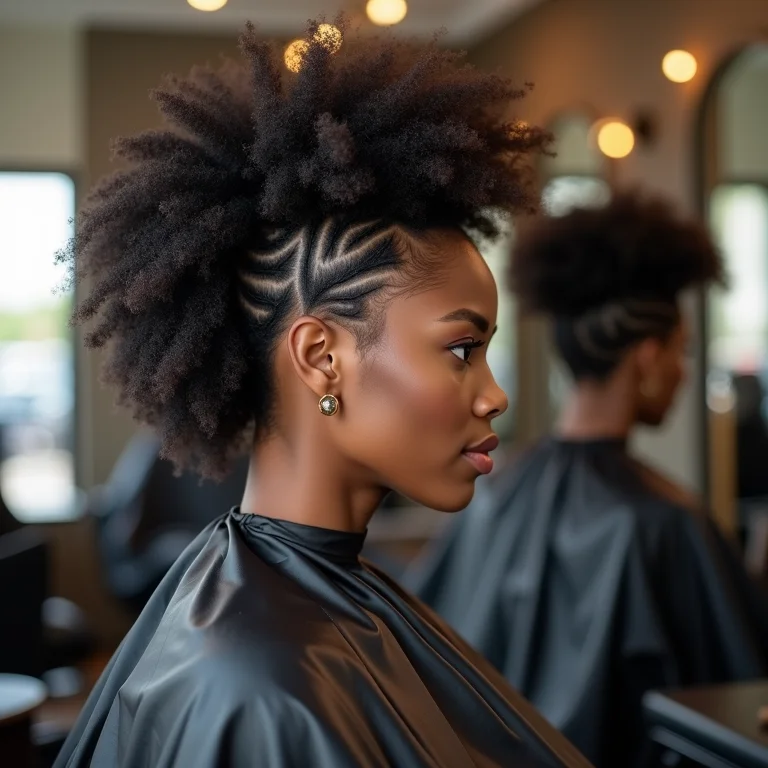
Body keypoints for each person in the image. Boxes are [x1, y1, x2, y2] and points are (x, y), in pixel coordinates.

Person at [53, 18, 591, 768]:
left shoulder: (322, 597)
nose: (495, 396)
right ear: (321, 359)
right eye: (461, 350)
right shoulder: (261, 687)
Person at [405, 192, 768, 768]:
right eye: (682, 351)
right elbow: (739, 712)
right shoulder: (661, 523)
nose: (683, 371)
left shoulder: (496, 488)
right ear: (647, 357)